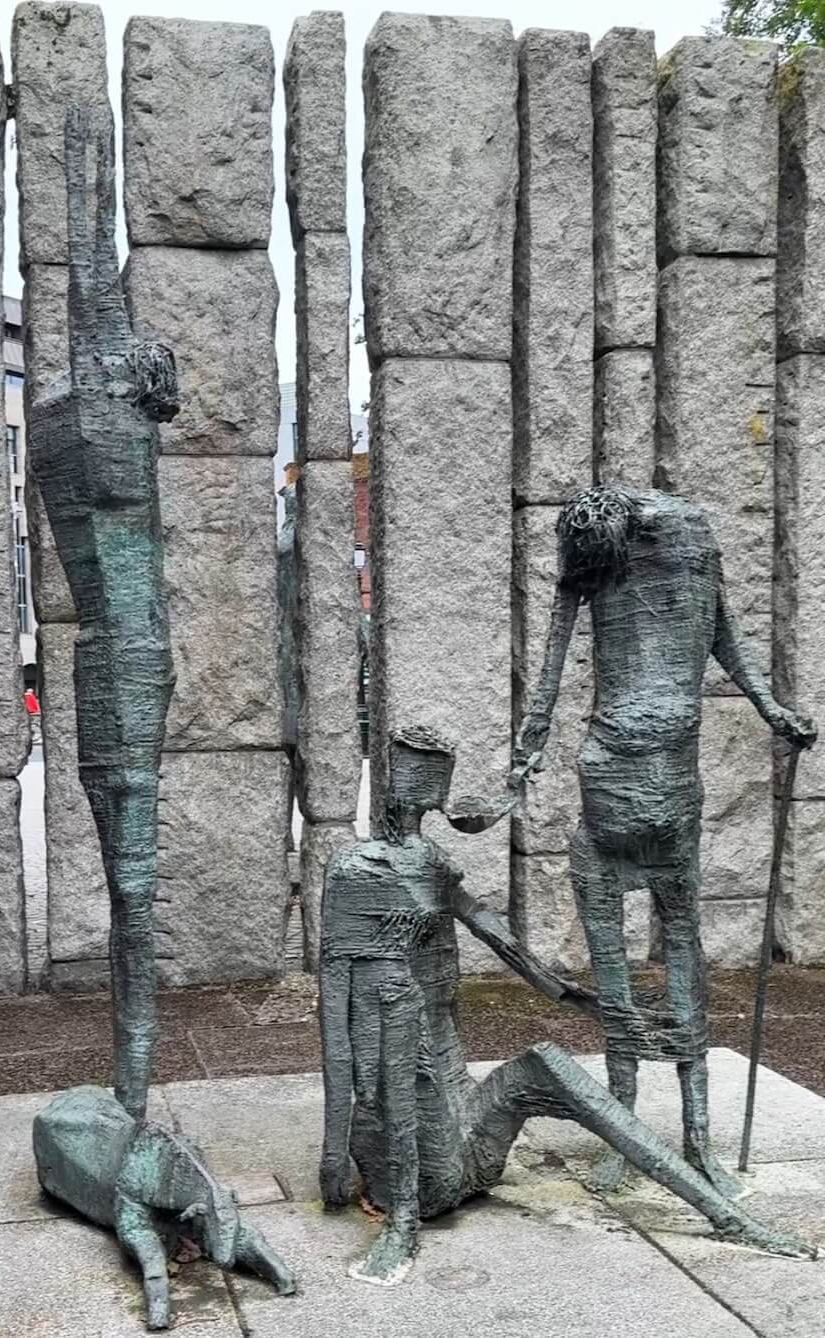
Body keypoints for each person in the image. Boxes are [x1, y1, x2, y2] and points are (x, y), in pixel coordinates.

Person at [318, 725, 814, 1285]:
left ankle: (728, 1217)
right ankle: (402, 1226)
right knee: (407, 1053)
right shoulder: (355, 871)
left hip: (467, 1133)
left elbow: (490, 926)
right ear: (390, 780)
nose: (423, 793)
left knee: (547, 1062)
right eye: (417, 773)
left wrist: (571, 995)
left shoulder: (431, 862)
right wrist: (334, 1152)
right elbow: (335, 1007)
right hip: (415, 1160)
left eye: (434, 776)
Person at [468, 487, 816, 1196]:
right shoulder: (597, 553)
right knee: (617, 978)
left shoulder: (694, 543)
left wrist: (770, 706)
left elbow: (725, 633)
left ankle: (695, 1139)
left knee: (684, 957)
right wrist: (526, 753)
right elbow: (553, 664)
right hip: (610, 782)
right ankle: (624, 1129)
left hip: (673, 782)